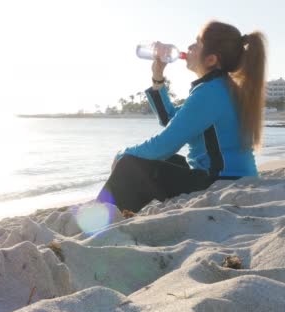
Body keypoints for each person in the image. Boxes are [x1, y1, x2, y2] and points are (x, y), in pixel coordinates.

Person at [97, 21, 267, 213]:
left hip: (223, 184)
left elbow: (163, 145)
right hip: (236, 179)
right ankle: (120, 212)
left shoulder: (210, 92)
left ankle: (98, 218)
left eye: (197, 43)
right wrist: (157, 76)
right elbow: (171, 120)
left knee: (130, 164)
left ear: (211, 59)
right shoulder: (219, 87)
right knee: (173, 161)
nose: (189, 47)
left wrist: (122, 155)